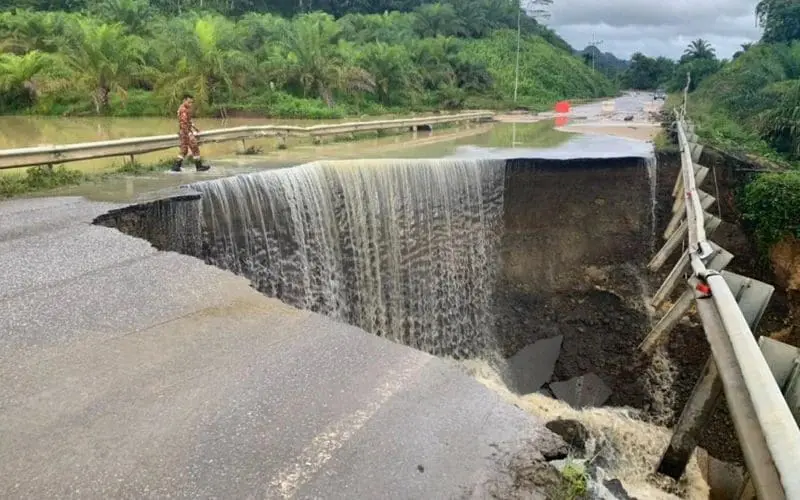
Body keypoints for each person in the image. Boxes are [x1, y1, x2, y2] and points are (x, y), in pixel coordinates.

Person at [172, 93, 210, 172]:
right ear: (184, 100)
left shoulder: (185, 109)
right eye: (189, 102)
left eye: (191, 102)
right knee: (194, 147)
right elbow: (183, 123)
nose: (190, 104)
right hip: (185, 131)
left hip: (184, 131)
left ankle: (176, 166)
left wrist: (195, 128)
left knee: (184, 150)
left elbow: (189, 121)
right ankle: (198, 166)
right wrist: (188, 134)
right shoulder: (183, 110)